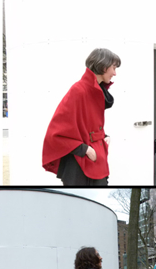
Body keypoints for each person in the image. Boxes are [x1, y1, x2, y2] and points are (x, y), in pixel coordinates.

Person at [42, 48, 120, 186]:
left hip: (96, 158)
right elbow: (56, 134)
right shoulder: (79, 90)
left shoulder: (97, 91)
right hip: (79, 163)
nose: (115, 73)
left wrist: (103, 136)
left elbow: (87, 124)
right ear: (103, 66)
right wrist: (85, 149)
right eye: (113, 68)